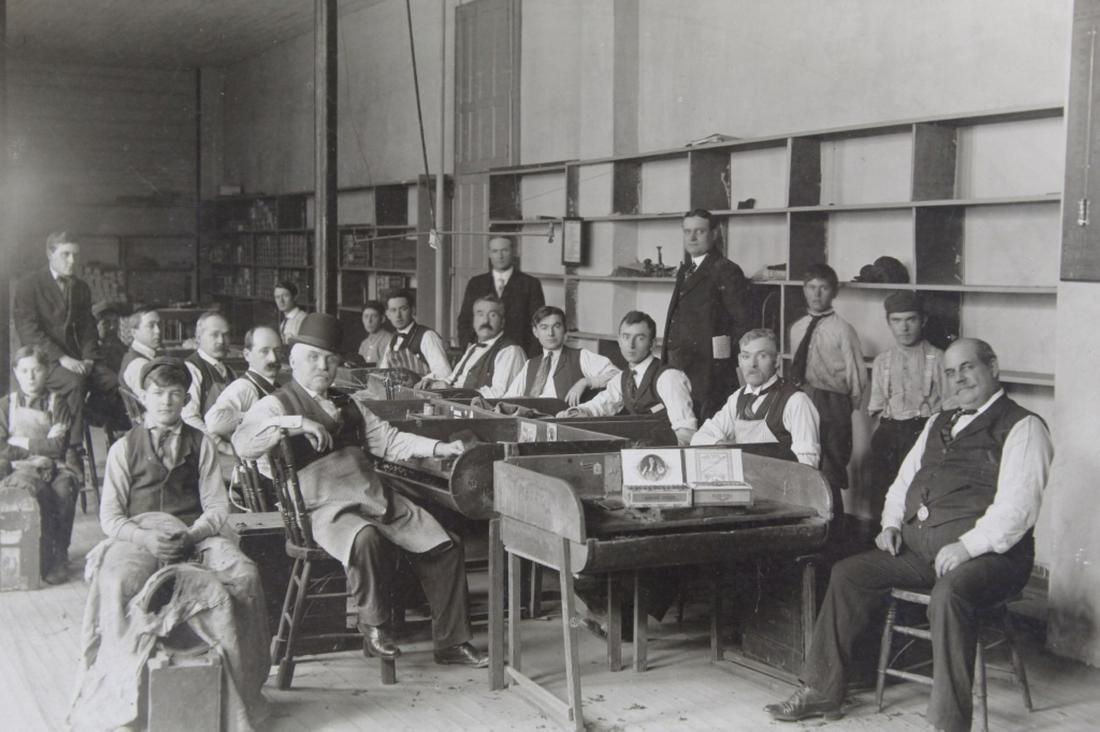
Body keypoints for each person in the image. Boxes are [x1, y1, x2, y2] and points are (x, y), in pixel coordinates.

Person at [765, 339, 1053, 732]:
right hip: (923, 552)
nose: (959, 379)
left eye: (967, 368)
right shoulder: (939, 421)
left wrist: (968, 546)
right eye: (950, 373)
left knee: (949, 594)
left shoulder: (1023, 426)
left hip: (993, 560)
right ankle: (822, 691)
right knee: (849, 573)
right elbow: (903, 482)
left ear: (993, 367)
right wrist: (890, 525)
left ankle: (948, 722)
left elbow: (1018, 509)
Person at [233, 313, 488, 667]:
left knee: (445, 545)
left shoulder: (350, 404)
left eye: (330, 359)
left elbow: (390, 441)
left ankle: (451, 643)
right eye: (312, 357)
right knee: (366, 538)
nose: (322, 366)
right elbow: (242, 442)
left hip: (372, 497)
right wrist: (294, 423)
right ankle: (375, 626)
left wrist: (439, 449)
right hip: (320, 508)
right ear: (293, 361)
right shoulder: (276, 404)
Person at [70, 358, 269, 730]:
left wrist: (191, 535)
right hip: (140, 534)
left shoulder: (202, 443)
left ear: (186, 398)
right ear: (144, 398)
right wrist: (146, 538)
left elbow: (216, 507)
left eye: (175, 394)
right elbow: (111, 518)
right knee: (117, 583)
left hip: (195, 533)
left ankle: (243, 694)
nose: (166, 402)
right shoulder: (123, 449)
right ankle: (121, 694)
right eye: (158, 394)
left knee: (245, 574)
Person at [12, 231, 123, 450]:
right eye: (66, 254)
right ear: (49, 253)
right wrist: (62, 358)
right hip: (44, 360)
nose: (72, 261)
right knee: (74, 383)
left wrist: (90, 358)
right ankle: (72, 448)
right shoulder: (29, 285)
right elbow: (29, 331)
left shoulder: (81, 287)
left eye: (75, 255)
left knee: (113, 381)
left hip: (78, 359)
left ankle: (103, 428)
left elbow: (88, 328)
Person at [788, 263, 866, 516]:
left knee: (831, 468)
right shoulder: (797, 328)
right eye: (811, 287)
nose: (817, 294)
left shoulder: (843, 330)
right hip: (804, 398)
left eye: (823, 288)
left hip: (833, 405)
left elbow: (856, 377)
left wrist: (842, 408)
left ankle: (835, 529)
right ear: (804, 290)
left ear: (834, 293)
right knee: (804, 462)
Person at [866, 292, 951, 518]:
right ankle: (878, 543)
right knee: (881, 493)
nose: (904, 328)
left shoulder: (939, 358)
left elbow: (951, 408)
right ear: (889, 323)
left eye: (910, 320)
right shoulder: (882, 361)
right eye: (896, 321)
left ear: (922, 320)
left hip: (922, 433)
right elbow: (876, 408)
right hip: (889, 433)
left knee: (917, 496)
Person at [0, 346, 80, 584]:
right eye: (24, 371)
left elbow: (57, 447)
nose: (31, 376)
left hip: (55, 466)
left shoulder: (58, 403)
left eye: (36, 370)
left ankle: (58, 556)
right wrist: (39, 444)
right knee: (35, 492)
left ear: (46, 371)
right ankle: (32, 557)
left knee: (64, 488)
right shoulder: (6, 405)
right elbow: (2, 447)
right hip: (17, 466)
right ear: (15, 372)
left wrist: (20, 440)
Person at [663, 209, 751, 420]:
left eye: (699, 231)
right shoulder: (687, 270)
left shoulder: (726, 270)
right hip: (680, 369)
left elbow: (743, 323)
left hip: (710, 376)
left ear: (714, 233)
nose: (692, 237)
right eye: (687, 231)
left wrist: (718, 362)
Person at [558, 311, 697, 445]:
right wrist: (578, 412)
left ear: (652, 344)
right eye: (626, 337)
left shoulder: (668, 377)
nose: (631, 345)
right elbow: (602, 404)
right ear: (619, 341)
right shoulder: (623, 377)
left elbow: (686, 433)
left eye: (640, 338)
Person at [692, 328, 820, 467]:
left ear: (776, 361)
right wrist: (724, 448)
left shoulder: (797, 401)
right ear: (740, 361)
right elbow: (700, 438)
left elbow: (807, 467)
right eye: (746, 356)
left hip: (780, 485)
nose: (752, 364)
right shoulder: (737, 398)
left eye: (762, 356)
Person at [503, 306, 619, 405]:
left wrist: (586, 382)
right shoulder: (530, 365)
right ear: (535, 332)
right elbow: (508, 400)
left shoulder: (581, 356)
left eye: (556, 326)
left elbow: (618, 376)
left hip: (565, 422)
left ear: (564, 329)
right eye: (544, 327)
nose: (551, 333)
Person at [417, 295, 525, 398]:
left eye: (492, 315)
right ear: (473, 321)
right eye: (480, 314)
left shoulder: (510, 351)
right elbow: (452, 380)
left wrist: (452, 391)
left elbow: (498, 395)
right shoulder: (472, 348)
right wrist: (432, 382)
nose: (485, 321)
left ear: (502, 322)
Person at [457, 235, 545, 356]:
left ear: (513, 252)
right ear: (489, 253)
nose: (500, 256)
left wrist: (530, 360)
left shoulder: (530, 284)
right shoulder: (476, 283)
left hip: (517, 354)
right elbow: (465, 320)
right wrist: (469, 349)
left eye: (504, 250)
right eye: (495, 251)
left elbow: (539, 325)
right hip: (483, 355)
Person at [204, 326, 283, 440]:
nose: (273, 358)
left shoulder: (275, 386)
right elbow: (214, 421)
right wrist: (264, 418)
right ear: (247, 355)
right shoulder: (244, 387)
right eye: (264, 351)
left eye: (277, 351)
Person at [182, 311, 237, 435]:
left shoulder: (230, 372)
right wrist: (219, 445)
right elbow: (189, 418)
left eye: (226, 335)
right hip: (204, 446)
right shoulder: (191, 369)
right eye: (214, 335)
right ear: (198, 337)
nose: (221, 341)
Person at [379, 289, 451, 379]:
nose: (398, 315)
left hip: (422, 391)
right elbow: (383, 371)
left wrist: (419, 380)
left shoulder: (427, 336)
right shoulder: (392, 340)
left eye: (403, 309)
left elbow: (444, 372)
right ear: (388, 314)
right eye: (393, 310)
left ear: (412, 310)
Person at [119, 307, 162, 396]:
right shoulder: (138, 365)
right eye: (151, 326)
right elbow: (154, 402)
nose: (158, 331)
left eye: (159, 325)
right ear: (134, 332)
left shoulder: (146, 356)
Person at [93, 303, 128, 375]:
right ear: (94, 326)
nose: (113, 327)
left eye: (115, 321)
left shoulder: (121, 346)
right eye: (106, 323)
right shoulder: (92, 354)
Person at [357, 300, 394, 366]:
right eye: (366, 316)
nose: (369, 321)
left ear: (382, 319)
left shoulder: (389, 340)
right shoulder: (364, 344)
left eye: (374, 316)